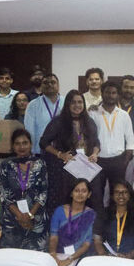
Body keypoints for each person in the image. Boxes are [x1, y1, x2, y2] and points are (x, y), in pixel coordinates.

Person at [40, 90, 100, 218]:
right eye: (73, 102)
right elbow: (43, 142)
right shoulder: (58, 121)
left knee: (88, 200)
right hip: (65, 170)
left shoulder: (89, 121)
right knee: (65, 201)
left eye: (80, 102)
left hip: (86, 169)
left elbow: (96, 143)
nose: (77, 105)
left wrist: (95, 154)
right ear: (67, 104)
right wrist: (60, 154)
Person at [0, 129, 48, 251]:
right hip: (12, 219)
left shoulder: (40, 163)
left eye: (25, 143)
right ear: (13, 146)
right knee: (12, 257)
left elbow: (43, 192)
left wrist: (30, 215)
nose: (21, 147)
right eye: (17, 143)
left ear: (30, 144)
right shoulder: (6, 165)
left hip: (36, 219)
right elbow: (4, 193)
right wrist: (20, 216)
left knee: (34, 257)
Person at [89, 81, 134, 216]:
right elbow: (88, 138)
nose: (110, 95)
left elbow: (130, 141)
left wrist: (124, 162)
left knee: (117, 195)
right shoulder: (93, 113)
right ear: (102, 94)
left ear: (118, 95)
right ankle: (98, 222)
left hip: (118, 161)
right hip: (98, 161)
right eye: (107, 92)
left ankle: (115, 221)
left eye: (114, 93)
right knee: (96, 194)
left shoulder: (123, 115)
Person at [49, 178, 95, 266]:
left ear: (89, 194)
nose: (80, 194)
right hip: (58, 253)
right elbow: (53, 236)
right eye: (76, 190)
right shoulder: (59, 211)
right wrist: (53, 255)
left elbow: (86, 244)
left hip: (79, 255)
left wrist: (69, 259)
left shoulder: (91, 214)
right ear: (71, 193)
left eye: (84, 191)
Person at [93, 181, 134, 259]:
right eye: (117, 192)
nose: (121, 195)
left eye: (125, 192)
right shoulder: (104, 213)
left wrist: (128, 256)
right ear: (112, 195)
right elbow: (97, 239)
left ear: (130, 195)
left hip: (130, 260)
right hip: (107, 258)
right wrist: (104, 255)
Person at [25, 73, 64, 155]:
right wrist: (31, 150)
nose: (49, 85)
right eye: (45, 83)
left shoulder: (66, 102)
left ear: (58, 85)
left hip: (64, 152)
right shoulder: (33, 105)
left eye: (53, 82)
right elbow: (29, 130)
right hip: (40, 151)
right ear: (41, 86)